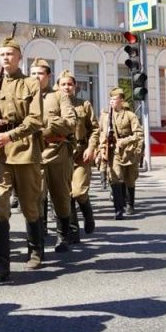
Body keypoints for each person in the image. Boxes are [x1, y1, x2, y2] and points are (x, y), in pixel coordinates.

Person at [0, 37, 42, 284]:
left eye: (10, 54)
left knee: (29, 205)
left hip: (24, 151)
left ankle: (35, 251)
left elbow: (35, 120)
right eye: (2, 54)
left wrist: (9, 136)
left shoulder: (30, 84)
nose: (5, 58)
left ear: (19, 57)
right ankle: (1, 265)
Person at [31, 59, 76, 254]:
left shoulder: (59, 97)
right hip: (34, 155)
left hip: (58, 153)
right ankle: (38, 240)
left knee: (61, 197)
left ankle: (63, 237)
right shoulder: (26, 96)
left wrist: (48, 124)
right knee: (35, 198)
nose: (35, 77)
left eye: (39, 74)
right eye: (32, 74)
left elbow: (71, 123)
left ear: (48, 76)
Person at [57, 71, 99, 243]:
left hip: (81, 153)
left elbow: (95, 129)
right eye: (63, 84)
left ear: (75, 87)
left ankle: (88, 215)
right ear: (58, 86)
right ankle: (73, 232)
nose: (67, 87)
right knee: (66, 194)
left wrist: (91, 147)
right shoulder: (54, 105)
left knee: (78, 191)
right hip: (61, 153)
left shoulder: (84, 105)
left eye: (70, 84)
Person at [94, 88, 144, 220]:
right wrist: (100, 149)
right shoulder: (105, 116)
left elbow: (138, 134)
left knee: (129, 178)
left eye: (114, 99)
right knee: (114, 177)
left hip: (128, 151)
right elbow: (101, 133)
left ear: (121, 100)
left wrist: (124, 141)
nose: (111, 101)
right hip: (113, 151)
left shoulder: (130, 116)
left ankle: (130, 204)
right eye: (110, 99)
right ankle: (118, 208)